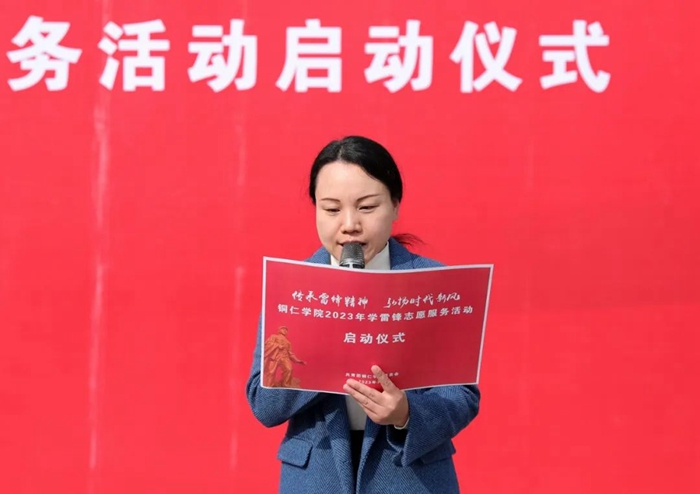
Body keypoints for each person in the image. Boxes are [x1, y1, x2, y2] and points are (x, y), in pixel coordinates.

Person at [246, 135, 480, 493]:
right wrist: (323, 344)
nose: (350, 224)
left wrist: (406, 414)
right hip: (315, 477)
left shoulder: (432, 283)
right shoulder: (293, 288)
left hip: (410, 477)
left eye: (367, 207)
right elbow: (265, 406)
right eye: (331, 209)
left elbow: (461, 395)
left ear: (395, 205)